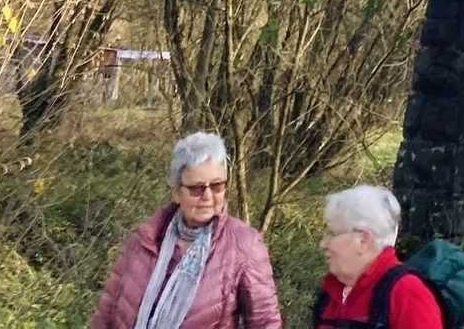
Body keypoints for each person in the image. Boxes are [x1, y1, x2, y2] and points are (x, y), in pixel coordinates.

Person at [90, 131, 283, 329]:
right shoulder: (143, 240)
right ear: (176, 192)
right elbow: (106, 313)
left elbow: (265, 322)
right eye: (197, 188)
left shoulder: (244, 245)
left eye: (217, 186)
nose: (208, 196)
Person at [312, 185, 443, 329]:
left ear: (363, 240)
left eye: (333, 233)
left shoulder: (406, 292)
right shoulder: (331, 294)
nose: (324, 244)